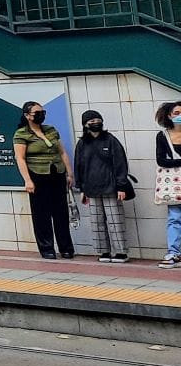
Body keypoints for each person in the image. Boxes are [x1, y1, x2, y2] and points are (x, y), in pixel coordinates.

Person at [12, 100, 74, 260]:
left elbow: (62, 152)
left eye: (43, 112)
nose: (41, 115)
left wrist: (69, 173)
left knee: (61, 212)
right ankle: (47, 248)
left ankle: (66, 247)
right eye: (37, 113)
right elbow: (20, 158)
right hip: (37, 175)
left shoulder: (51, 130)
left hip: (57, 173)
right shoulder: (21, 134)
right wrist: (27, 180)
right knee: (41, 214)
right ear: (27, 116)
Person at [73, 110, 130, 264]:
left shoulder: (110, 140)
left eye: (98, 119)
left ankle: (121, 253)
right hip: (91, 189)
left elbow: (120, 164)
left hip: (111, 187)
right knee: (97, 222)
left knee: (115, 221)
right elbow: (78, 166)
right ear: (85, 124)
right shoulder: (82, 143)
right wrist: (81, 189)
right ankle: (104, 251)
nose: (96, 123)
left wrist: (121, 186)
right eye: (91, 121)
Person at [155, 102, 181, 269]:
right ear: (169, 115)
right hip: (174, 184)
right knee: (174, 218)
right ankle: (174, 252)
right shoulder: (162, 136)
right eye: (177, 112)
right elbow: (161, 159)